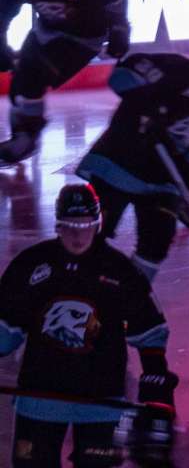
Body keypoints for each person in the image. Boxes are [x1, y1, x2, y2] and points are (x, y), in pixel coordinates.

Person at [0, 182, 177, 466]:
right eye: (69, 225)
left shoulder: (120, 271)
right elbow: (6, 330)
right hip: (40, 396)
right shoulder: (31, 264)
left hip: (101, 400)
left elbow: (149, 329)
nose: (77, 234)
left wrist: (157, 383)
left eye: (85, 224)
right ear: (57, 225)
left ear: (98, 224)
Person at [76, 19, 189, 281]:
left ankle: (131, 296)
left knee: (157, 241)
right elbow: (121, 74)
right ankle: (79, 292)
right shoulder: (176, 69)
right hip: (119, 163)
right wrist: (147, 105)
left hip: (161, 177)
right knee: (91, 234)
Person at [0, 0, 130, 164]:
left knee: (34, 77)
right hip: (47, 30)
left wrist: (120, 30)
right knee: (20, 81)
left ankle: (28, 137)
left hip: (84, 37)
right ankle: (23, 136)